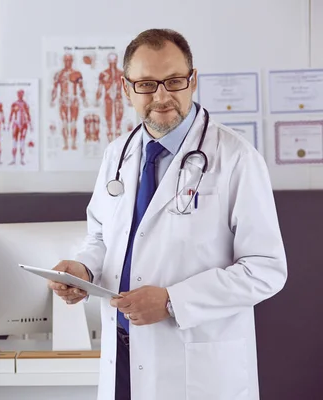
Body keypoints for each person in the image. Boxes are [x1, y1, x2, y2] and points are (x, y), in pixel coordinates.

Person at [49, 28, 287, 400]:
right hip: (124, 357)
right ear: (126, 88)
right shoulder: (117, 155)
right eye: (145, 84)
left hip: (197, 369)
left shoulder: (236, 158)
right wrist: (84, 269)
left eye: (174, 81)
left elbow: (266, 269)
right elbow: (99, 236)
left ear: (193, 81)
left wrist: (173, 300)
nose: (161, 96)